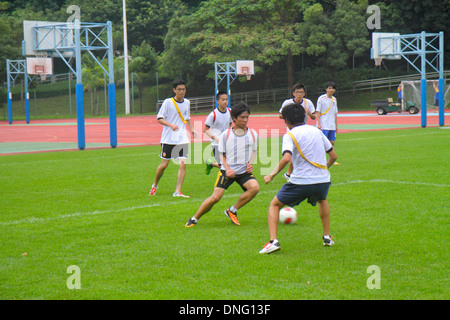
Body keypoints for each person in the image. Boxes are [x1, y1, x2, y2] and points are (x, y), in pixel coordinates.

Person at [259, 103, 337, 254]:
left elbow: (286, 158)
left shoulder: (290, 135)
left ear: (286, 121)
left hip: (301, 181)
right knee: (322, 200)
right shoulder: (317, 131)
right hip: (323, 180)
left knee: (274, 205)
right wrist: (323, 169)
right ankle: (327, 237)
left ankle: (273, 241)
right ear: (305, 117)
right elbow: (333, 156)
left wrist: (271, 175)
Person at [185, 102, 259, 227]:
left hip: (243, 172)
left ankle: (232, 210)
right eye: (242, 117)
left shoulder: (253, 134)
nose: (245, 120)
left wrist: (250, 164)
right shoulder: (226, 135)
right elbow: (222, 155)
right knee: (215, 198)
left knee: (255, 188)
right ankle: (194, 218)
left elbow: (254, 150)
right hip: (227, 172)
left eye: (247, 117)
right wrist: (228, 169)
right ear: (234, 118)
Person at [149, 79, 198, 198]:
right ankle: (155, 185)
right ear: (174, 90)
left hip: (182, 138)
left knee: (183, 164)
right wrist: (171, 125)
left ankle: (177, 191)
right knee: (164, 165)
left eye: (183, 89)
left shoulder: (187, 102)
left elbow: (187, 118)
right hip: (168, 139)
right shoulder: (167, 102)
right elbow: (159, 118)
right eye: (179, 89)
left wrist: (191, 130)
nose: (182, 91)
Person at [279, 83, 316, 181]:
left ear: (304, 94)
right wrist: (291, 114)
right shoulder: (287, 103)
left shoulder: (308, 103)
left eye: (301, 92)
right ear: (293, 93)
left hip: (304, 131)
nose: (299, 94)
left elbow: (313, 117)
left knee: (302, 152)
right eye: (297, 92)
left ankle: (290, 173)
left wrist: (308, 113)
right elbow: (280, 115)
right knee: (292, 153)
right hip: (292, 131)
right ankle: (289, 174)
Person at [203, 91, 233, 175]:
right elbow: (205, 129)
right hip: (216, 144)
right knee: (223, 166)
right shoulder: (213, 115)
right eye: (223, 99)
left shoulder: (230, 112)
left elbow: (230, 124)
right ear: (217, 101)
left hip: (227, 142)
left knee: (227, 165)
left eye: (226, 99)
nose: (225, 102)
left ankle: (210, 164)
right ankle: (221, 186)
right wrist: (215, 138)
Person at [316, 81, 340, 165]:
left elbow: (335, 113)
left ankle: (331, 159)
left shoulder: (334, 99)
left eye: (333, 88)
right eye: (329, 88)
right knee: (323, 143)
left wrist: (336, 125)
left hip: (331, 125)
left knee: (332, 142)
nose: (331, 90)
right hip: (324, 125)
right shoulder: (321, 98)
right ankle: (321, 159)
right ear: (326, 89)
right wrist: (319, 123)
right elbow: (318, 111)